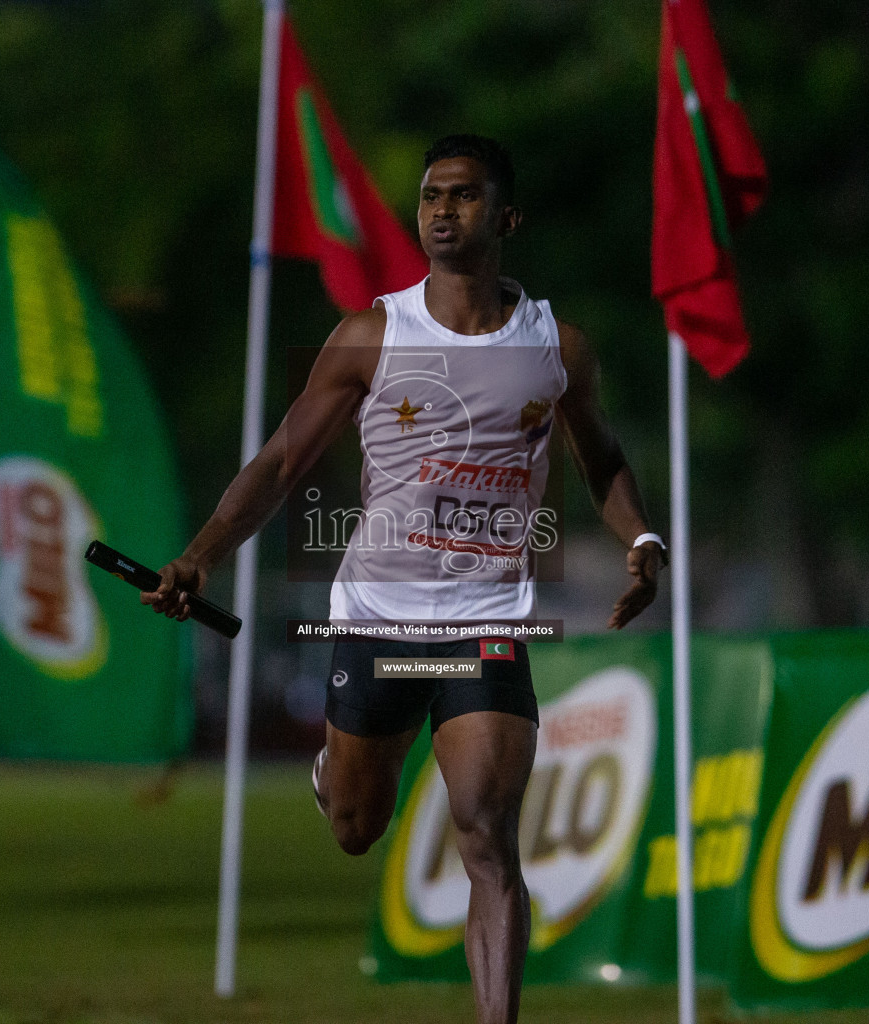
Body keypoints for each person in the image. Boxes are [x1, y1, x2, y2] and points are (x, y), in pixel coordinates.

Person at [143, 135, 665, 1024]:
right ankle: (333, 772)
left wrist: (643, 537)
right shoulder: (372, 334)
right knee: (356, 830)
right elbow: (279, 463)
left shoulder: (557, 348)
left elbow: (602, 458)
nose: (441, 211)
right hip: (377, 616)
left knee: (487, 837)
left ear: (506, 217)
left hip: (487, 619)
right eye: (429, 197)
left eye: (463, 196)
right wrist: (202, 553)